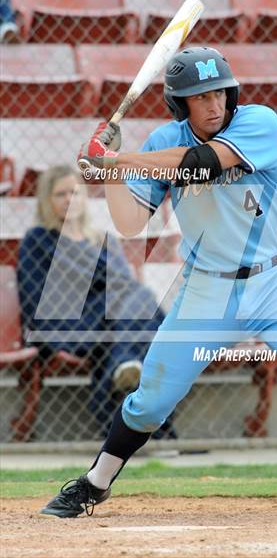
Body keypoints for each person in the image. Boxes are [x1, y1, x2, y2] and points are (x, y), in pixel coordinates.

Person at [40, 47, 277, 519]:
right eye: (200, 97)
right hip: (204, 289)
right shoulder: (159, 141)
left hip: (273, 280)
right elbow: (131, 223)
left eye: (219, 93)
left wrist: (119, 159)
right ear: (179, 104)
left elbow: (199, 164)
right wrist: (110, 171)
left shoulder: (259, 123)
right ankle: (94, 484)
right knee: (150, 400)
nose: (214, 105)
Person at [17, 165, 169, 435]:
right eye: (60, 194)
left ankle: (123, 369)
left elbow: (124, 286)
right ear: (47, 200)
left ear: (84, 197)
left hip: (114, 321)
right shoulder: (38, 239)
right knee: (140, 305)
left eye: (75, 192)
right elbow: (32, 296)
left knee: (135, 303)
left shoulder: (102, 239)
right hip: (66, 322)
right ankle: (152, 427)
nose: (69, 199)